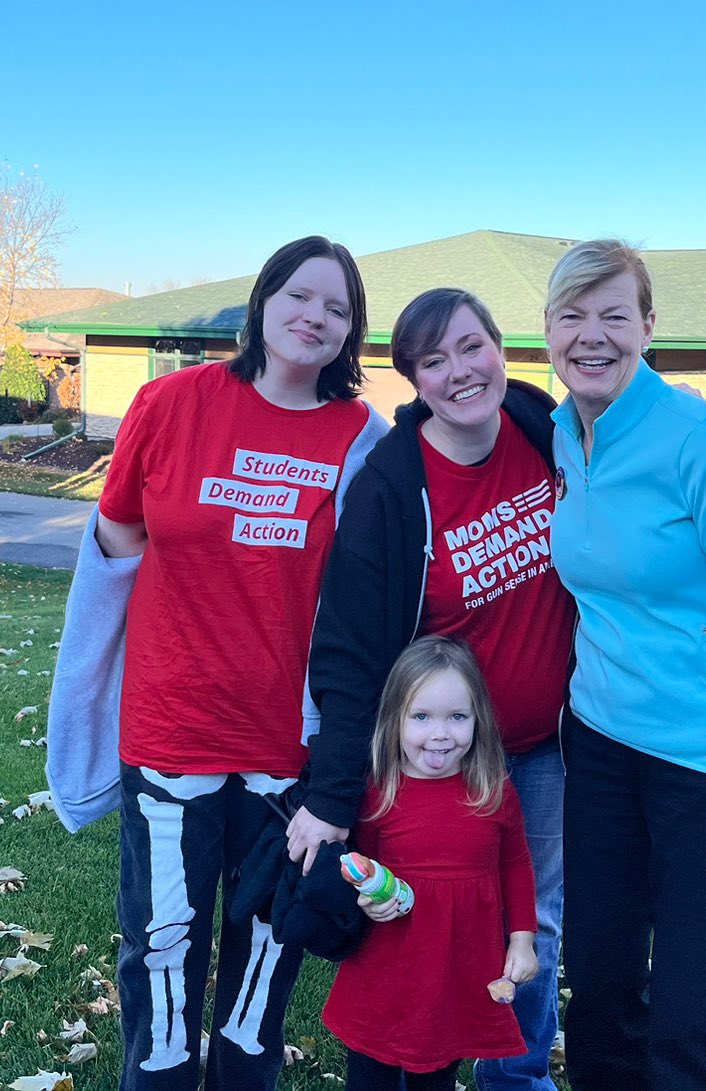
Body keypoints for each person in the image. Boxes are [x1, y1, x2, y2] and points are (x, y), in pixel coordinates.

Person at [47, 236, 388, 1091]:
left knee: (266, 949)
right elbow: (119, 534)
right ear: (264, 301)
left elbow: (365, 604)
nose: (315, 316)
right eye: (300, 296)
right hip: (171, 731)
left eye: (337, 309)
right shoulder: (168, 404)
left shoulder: (361, 438)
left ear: (350, 334)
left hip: (285, 750)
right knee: (162, 944)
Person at [287, 288, 577, 1089]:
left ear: (500, 347)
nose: (459, 372)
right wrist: (336, 789)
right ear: (411, 378)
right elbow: (345, 651)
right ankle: (415, 1055)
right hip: (438, 756)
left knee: (535, 923)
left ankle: (514, 1076)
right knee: (420, 918)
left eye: (470, 346)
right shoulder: (390, 486)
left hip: (546, 746)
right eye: (432, 360)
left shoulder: (544, 428)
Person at [545, 239, 706, 1091]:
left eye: (614, 315)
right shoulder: (555, 430)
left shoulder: (703, 443)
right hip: (600, 748)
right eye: (571, 315)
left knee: (694, 1023)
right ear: (547, 331)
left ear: (648, 326)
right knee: (603, 991)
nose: (592, 335)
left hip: (705, 767)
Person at [323, 635, 539, 1090]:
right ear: (395, 721)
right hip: (388, 964)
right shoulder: (381, 793)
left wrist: (522, 940)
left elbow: (516, 865)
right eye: (421, 717)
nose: (440, 734)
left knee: (438, 1068)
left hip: (456, 967)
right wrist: (366, 899)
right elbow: (359, 867)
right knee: (371, 1070)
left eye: (457, 717)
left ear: (477, 719)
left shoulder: (493, 791)